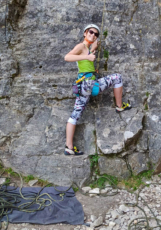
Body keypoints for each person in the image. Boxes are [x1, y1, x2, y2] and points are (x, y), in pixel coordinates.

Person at [64, 24, 131, 156]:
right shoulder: (81, 47)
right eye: (90, 32)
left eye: (96, 34)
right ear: (85, 33)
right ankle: (119, 106)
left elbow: (87, 58)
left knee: (75, 115)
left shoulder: (87, 49)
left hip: (84, 86)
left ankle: (69, 147)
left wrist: (92, 50)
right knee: (117, 78)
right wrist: (87, 57)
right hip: (88, 84)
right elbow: (67, 57)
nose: (93, 35)